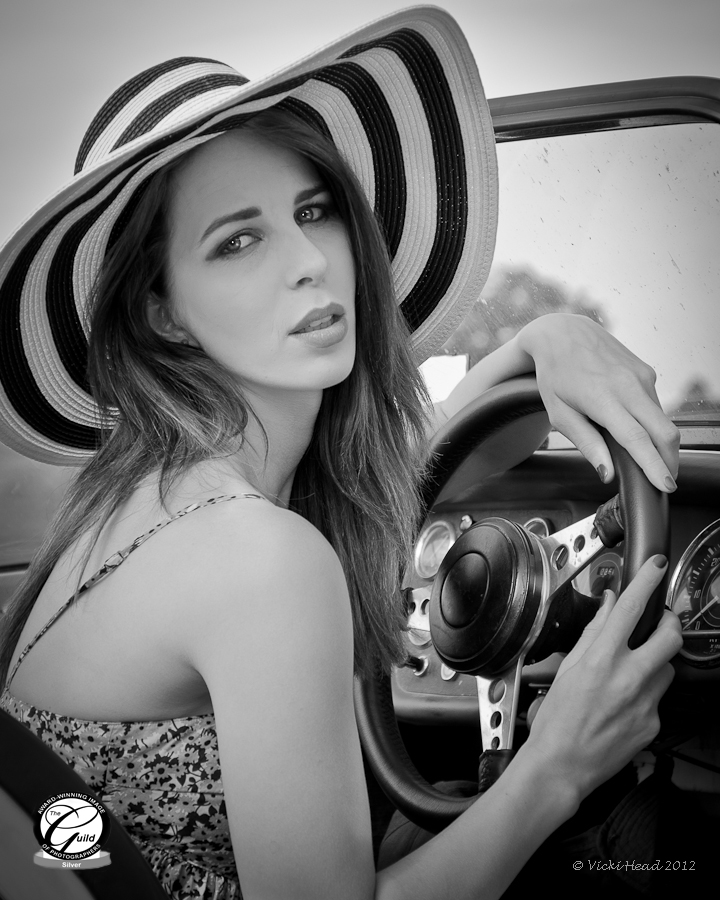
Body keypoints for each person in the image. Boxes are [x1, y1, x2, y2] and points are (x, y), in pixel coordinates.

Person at [0, 8, 682, 900]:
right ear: (163, 311)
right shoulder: (261, 560)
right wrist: (557, 763)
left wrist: (549, 336)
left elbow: (424, 462)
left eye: (313, 210)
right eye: (237, 240)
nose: (310, 264)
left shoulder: (154, 498)